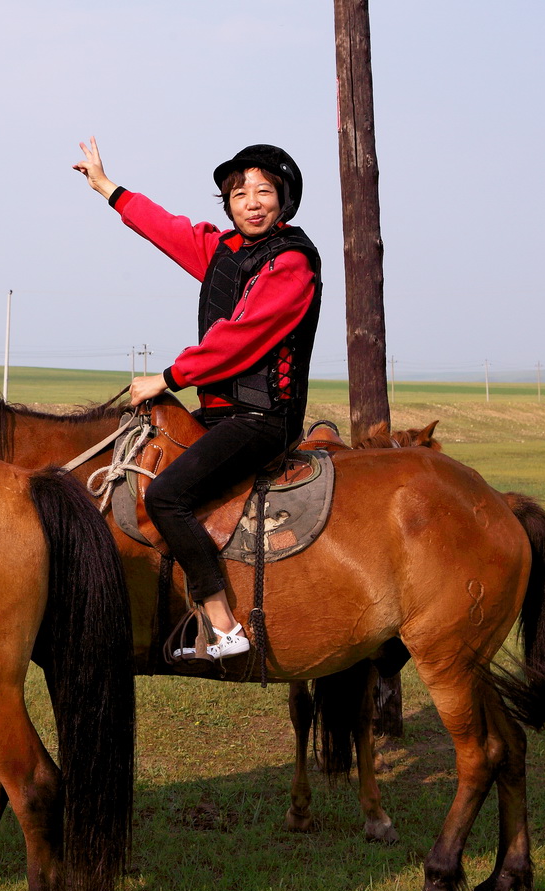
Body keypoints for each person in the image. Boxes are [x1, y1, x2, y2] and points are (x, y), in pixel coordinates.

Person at [72, 137, 321, 661]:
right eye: (238, 194)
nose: (251, 202)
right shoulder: (225, 252)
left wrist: (168, 376)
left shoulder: (292, 262)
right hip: (218, 414)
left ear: (284, 199)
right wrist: (108, 188)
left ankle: (224, 627)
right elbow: (169, 230)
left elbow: (242, 334)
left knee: (165, 496)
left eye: (263, 191)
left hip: (262, 418)